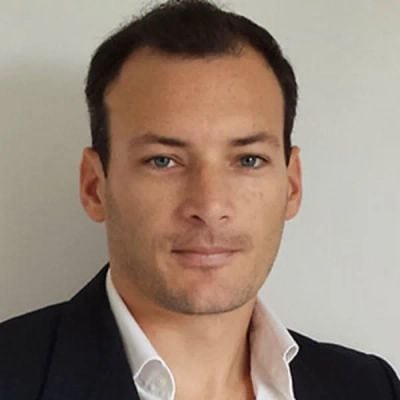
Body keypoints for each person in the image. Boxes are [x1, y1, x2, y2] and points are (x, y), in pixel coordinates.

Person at [1, 0, 399, 399]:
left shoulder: (369, 388)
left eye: (248, 160)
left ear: (292, 186)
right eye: (162, 160)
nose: (210, 207)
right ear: (94, 187)